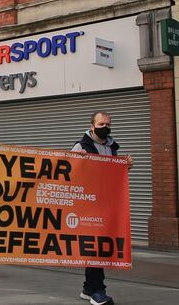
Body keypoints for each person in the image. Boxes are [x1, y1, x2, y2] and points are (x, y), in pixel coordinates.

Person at [71, 111, 133, 305]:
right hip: (88, 205)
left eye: (108, 123)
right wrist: (75, 161)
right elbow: (68, 172)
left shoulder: (111, 147)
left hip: (106, 204)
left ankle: (89, 289)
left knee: (98, 246)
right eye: (101, 123)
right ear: (92, 126)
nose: (105, 127)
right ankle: (98, 291)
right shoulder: (81, 146)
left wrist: (125, 167)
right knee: (95, 247)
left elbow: (110, 174)